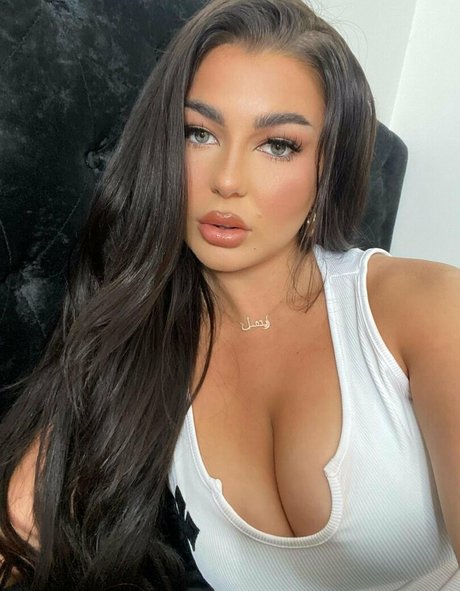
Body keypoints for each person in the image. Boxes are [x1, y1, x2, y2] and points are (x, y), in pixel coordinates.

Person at [0, 0, 459, 589]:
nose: (227, 179)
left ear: (328, 167)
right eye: (199, 133)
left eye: (279, 145)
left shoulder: (423, 310)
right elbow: (19, 533)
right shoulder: (138, 340)